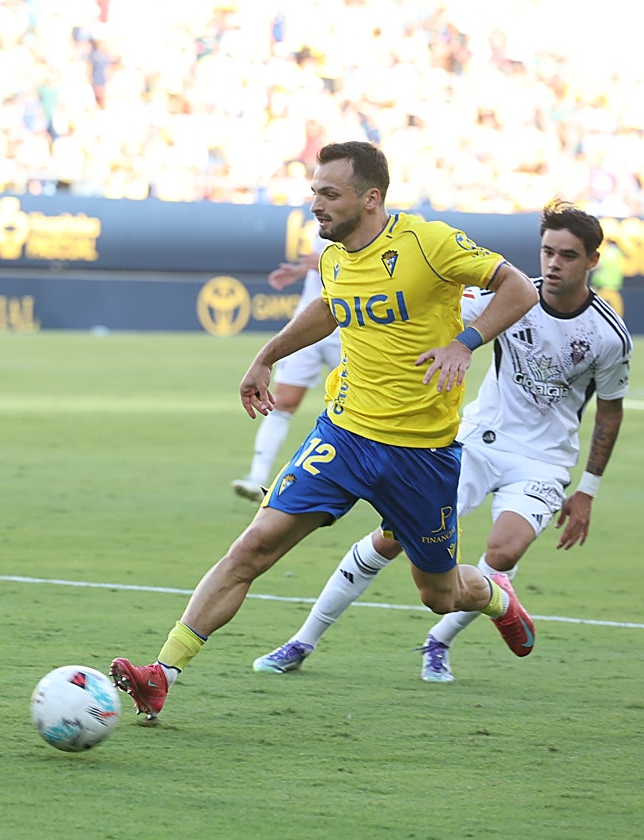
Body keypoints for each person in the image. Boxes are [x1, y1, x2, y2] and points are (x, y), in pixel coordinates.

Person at [108, 141, 539, 723]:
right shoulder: (335, 255)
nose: (316, 204)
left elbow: (520, 287)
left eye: (329, 194)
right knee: (253, 546)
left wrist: (464, 343)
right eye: (314, 192)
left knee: (439, 594)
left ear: (371, 198)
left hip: (421, 454)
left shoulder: (427, 243)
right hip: (345, 436)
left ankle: (493, 597)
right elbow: (331, 308)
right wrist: (266, 356)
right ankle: (162, 673)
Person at [254, 200, 631, 682]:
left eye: (569, 256)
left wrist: (588, 490)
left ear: (592, 261)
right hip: (476, 439)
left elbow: (610, 410)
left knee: (504, 551)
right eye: (547, 252)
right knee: (390, 540)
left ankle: (439, 640)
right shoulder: (508, 299)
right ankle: (301, 641)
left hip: (543, 460)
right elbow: (437, 305)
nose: (554, 264)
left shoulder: (609, 335)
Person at [231, 235, 340, 502]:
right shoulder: (321, 220)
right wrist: (303, 270)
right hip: (306, 326)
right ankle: (257, 479)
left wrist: (325, 263)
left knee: (362, 404)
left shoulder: (365, 220)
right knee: (283, 403)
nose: (318, 201)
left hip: (347, 327)